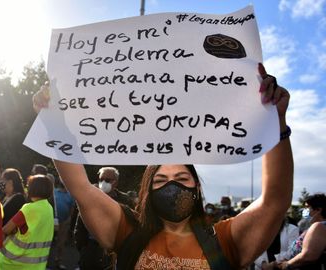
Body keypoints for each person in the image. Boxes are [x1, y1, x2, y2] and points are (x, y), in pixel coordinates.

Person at [33, 63, 294, 269]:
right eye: (160, 180)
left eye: (181, 177)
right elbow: (80, 186)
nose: (171, 185)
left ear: (196, 187)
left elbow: (275, 201)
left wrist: (276, 122)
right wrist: (54, 121)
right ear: (147, 191)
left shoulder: (224, 241)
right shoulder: (126, 231)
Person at [74, 166, 134, 270]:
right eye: (101, 179)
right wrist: (84, 248)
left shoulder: (126, 201)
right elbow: (79, 227)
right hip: (91, 252)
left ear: (116, 182)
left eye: (107, 180)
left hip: (116, 252)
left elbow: (132, 226)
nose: (103, 183)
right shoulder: (89, 198)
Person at [0, 174, 54, 269]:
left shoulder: (28, 208)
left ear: (33, 189)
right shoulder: (49, 208)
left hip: (13, 263)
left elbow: (5, 230)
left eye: (28, 186)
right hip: (37, 265)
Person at [276, 193, 326, 270]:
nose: (305, 211)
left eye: (307, 207)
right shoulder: (317, 226)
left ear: (318, 210)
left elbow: (309, 255)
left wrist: (287, 264)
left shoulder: (319, 226)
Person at [51, 175, 75, 269]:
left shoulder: (71, 195)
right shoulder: (54, 192)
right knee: (48, 241)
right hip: (51, 221)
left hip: (64, 223)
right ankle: (44, 260)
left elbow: (71, 212)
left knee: (61, 243)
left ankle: (58, 261)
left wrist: (67, 221)